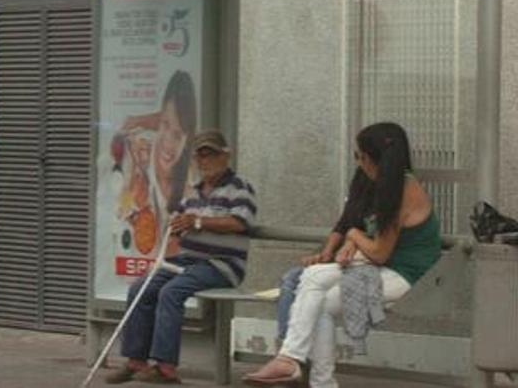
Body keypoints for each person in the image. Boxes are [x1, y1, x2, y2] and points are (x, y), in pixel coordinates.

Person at [244, 122, 442, 388]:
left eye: (358, 156)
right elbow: (374, 239)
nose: (358, 164)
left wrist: (353, 236)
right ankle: (309, 374)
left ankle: (291, 360)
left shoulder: (403, 189)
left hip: (408, 275)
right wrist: (353, 241)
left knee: (315, 287)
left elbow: (380, 253)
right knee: (317, 293)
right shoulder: (388, 183)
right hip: (384, 267)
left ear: (371, 158)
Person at [106, 130, 256, 384]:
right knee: (140, 288)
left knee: (171, 292)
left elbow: (239, 223)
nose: (205, 161)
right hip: (189, 258)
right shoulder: (193, 191)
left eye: (211, 154)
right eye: (201, 156)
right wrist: (176, 225)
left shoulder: (240, 188)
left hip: (221, 264)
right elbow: (183, 223)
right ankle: (136, 360)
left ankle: (165, 368)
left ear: (226, 156)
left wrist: (197, 221)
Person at [276, 170, 374, 343]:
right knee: (294, 278)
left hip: (365, 261)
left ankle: (290, 349)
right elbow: (344, 223)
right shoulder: (361, 177)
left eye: (362, 157)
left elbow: (377, 242)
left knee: (311, 290)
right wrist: (325, 253)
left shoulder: (392, 190)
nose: (360, 161)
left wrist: (353, 240)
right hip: (343, 257)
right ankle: (287, 345)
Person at [114, 70, 197, 255]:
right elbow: (120, 210)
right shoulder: (137, 155)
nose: (167, 142)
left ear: (186, 140)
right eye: (165, 124)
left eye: (177, 135)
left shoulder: (192, 188)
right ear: (158, 120)